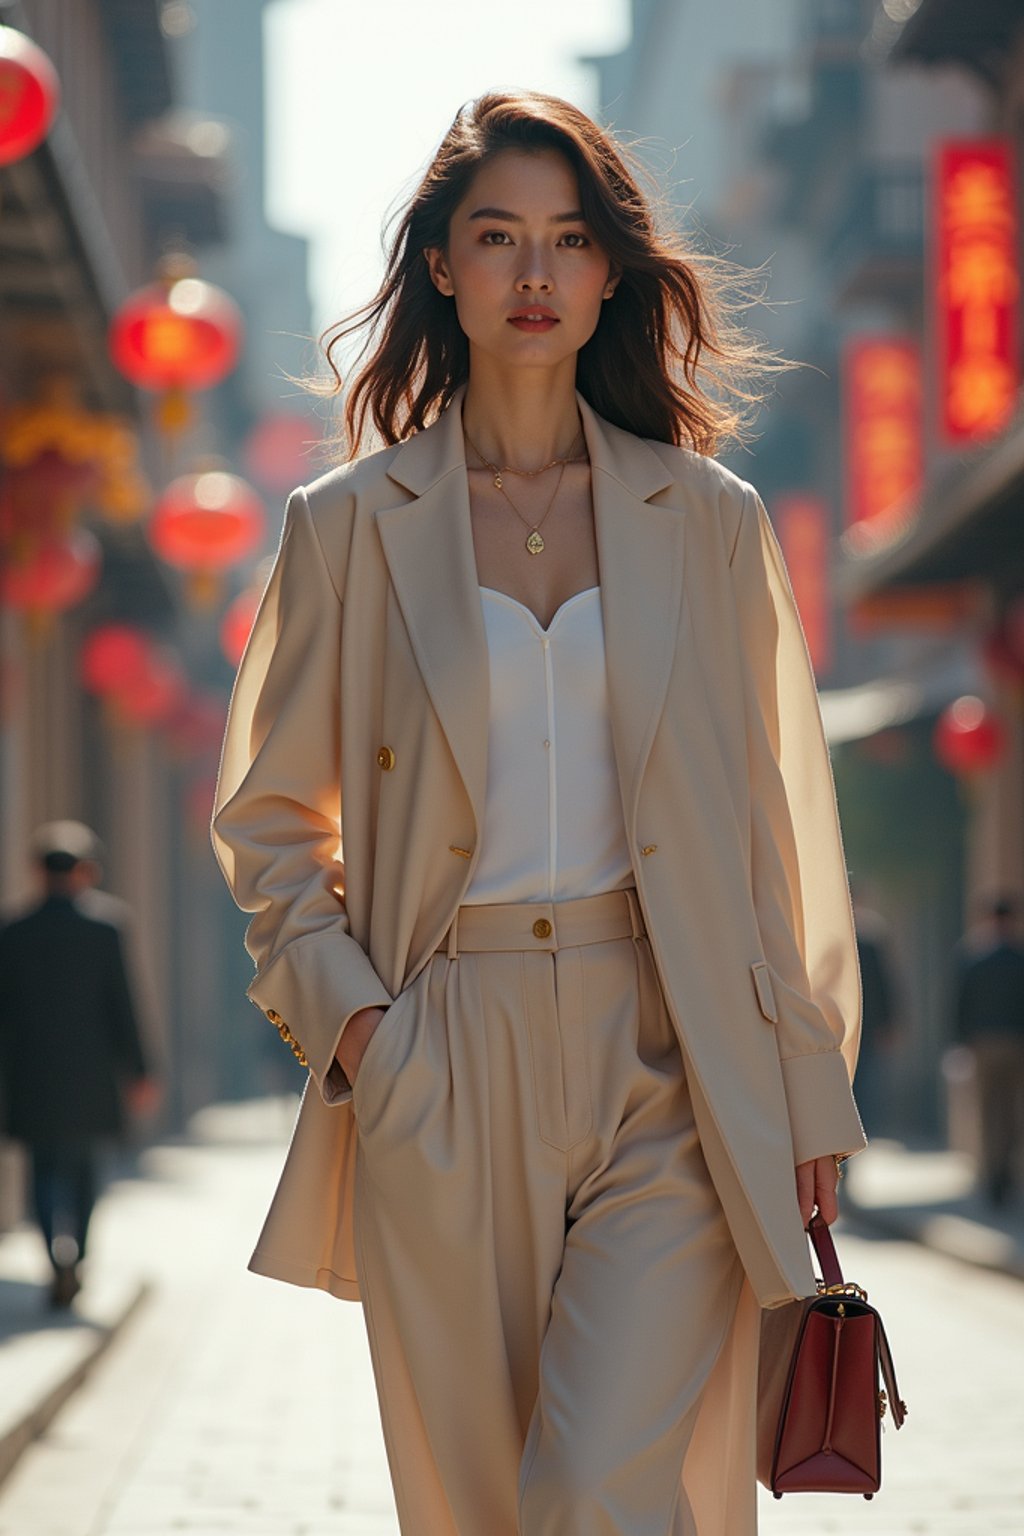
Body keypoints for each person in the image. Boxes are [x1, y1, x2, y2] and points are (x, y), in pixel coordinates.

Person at [211, 91, 866, 1536]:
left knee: (599, 1485)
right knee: (485, 1506)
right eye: (496, 237)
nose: (533, 274)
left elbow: (776, 832)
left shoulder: (710, 520)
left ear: (611, 271)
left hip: (672, 1051)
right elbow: (268, 822)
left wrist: (808, 1079)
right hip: (445, 1049)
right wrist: (365, 1033)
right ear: (440, 264)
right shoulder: (345, 528)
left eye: (569, 242)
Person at [0, 821, 154, 1307]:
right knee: (86, 1171)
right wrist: (140, 1069)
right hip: (91, 1075)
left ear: (37, 871)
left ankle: (54, 1260)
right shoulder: (106, 928)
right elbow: (123, 1003)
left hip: (33, 1075)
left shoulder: (14, 932)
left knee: (44, 1169)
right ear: (85, 871)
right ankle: (78, 1258)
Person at [953, 894, 1024, 1208]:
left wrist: (959, 1041)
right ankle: (1005, 1173)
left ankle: (991, 1175)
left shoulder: (974, 957)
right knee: (1010, 1112)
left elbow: (959, 1004)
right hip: (1015, 1043)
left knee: (986, 1111)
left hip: (982, 1044)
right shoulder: (1018, 959)